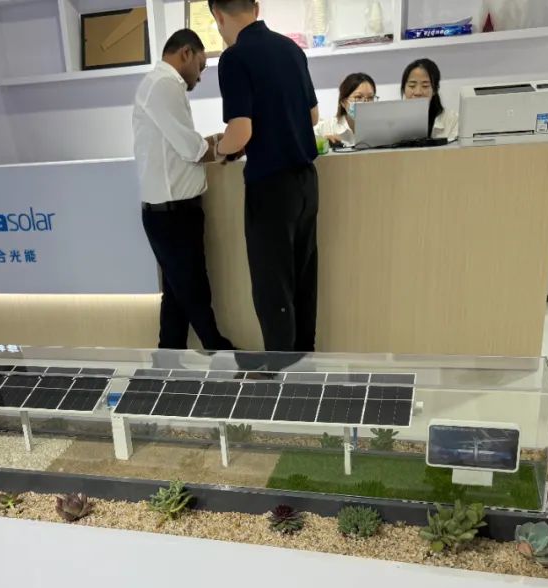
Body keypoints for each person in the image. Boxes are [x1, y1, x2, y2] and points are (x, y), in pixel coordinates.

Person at [210, 0, 321, 353]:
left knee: (273, 288)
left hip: (271, 188)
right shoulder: (291, 49)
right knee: (303, 280)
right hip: (307, 182)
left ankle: (280, 373)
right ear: (256, 8)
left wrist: (220, 149)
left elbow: (240, 132)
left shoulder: (234, 58)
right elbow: (313, 116)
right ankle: (306, 364)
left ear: (218, 15)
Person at [132, 29, 234, 351]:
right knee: (194, 292)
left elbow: (182, 146)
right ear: (186, 53)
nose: (200, 76)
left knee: (177, 299)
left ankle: (166, 361)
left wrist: (218, 141)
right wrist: (228, 145)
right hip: (173, 214)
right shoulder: (164, 85)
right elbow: (193, 150)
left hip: (172, 213)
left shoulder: (161, 85)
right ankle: (219, 352)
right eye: (200, 66)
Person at [401, 58, 458, 141]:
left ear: (435, 90)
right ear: (404, 89)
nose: (418, 92)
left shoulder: (453, 120)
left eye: (425, 86)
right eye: (412, 86)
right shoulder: (391, 121)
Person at [314, 72, 377, 147]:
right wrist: (321, 142)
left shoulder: (380, 129)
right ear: (343, 102)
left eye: (370, 98)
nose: (365, 103)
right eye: (358, 97)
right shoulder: (326, 127)